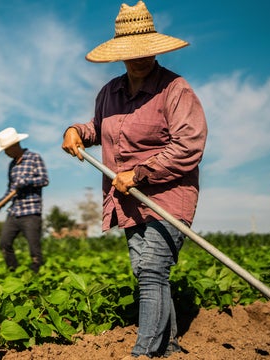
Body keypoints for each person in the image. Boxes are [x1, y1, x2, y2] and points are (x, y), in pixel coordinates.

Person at [61, 1, 207, 358]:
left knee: (152, 270)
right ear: (121, 54)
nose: (142, 58)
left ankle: (143, 353)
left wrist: (140, 173)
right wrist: (75, 131)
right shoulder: (109, 92)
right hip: (127, 200)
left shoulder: (175, 89)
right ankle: (169, 346)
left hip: (169, 195)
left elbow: (189, 144)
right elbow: (100, 128)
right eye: (134, 52)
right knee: (148, 274)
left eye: (147, 50)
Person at [0, 127, 49, 273]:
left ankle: (36, 278)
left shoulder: (34, 157)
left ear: (14, 146)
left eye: (6, 150)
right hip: (14, 211)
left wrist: (27, 182)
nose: (5, 153)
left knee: (34, 249)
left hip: (31, 212)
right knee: (5, 243)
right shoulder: (12, 165)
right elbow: (11, 190)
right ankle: (14, 273)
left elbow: (44, 180)